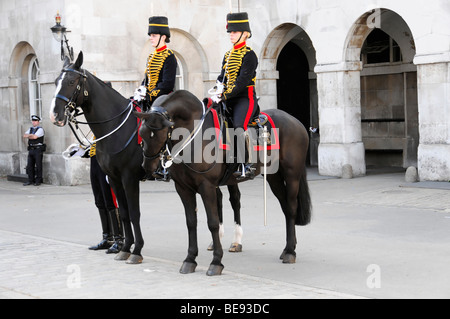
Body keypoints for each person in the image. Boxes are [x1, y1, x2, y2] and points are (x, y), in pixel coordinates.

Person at [211, 12, 259, 179]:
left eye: (235, 32)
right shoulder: (227, 55)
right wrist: (218, 88)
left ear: (245, 34)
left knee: (238, 126)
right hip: (227, 98)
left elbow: (243, 81)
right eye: (230, 32)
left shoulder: (249, 54)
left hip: (245, 98)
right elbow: (222, 76)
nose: (231, 35)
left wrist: (226, 94)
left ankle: (245, 164)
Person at [86, 141, 124, 254]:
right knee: (99, 201)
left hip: (105, 162)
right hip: (95, 161)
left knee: (111, 201)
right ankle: (107, 237)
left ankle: (119, 239)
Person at [133, 16, 177, 111]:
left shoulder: (169, 56)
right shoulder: (151, 56)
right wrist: (141, 90)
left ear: (163, 37)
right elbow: (147, 79)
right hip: (148, 98)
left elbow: (167, 84)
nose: (151, 38)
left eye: (154, 36)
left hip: (163, 100)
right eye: (150, 36)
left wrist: (150, 95)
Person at [23, 115, 45, 186]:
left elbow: (35, 137)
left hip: (38, 150)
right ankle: (30, 180)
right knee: (30, 166)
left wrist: (30, 136)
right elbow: (24, 135)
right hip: (31, 149)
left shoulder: (40, 129)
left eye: (35, 121)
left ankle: (38, 180)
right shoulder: (31, 129)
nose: (34, 122)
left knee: (38, 166)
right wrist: (31, 135)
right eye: (33, 121)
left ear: (38, 122)